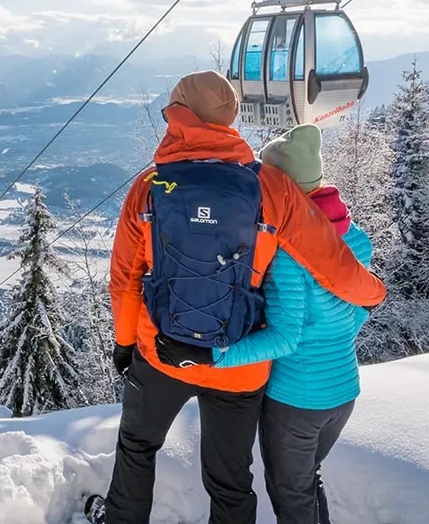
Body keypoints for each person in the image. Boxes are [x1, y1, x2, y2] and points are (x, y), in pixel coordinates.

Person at [87, 71, 386, 524]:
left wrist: (125, 343)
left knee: (137, 446)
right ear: (230, 118)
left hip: (161, 349)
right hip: (238, 360)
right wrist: (374, 292)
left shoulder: (148, 187)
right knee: (230, 479)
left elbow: (125, 279)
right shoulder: (272, 187)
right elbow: (331, 262)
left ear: (178, 116)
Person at [159, 124, 372, 524]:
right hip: (343, 393)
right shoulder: (357, 239)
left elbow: (284, 339)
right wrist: (326, 338)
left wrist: (211, 355)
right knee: (307, 483)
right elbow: (359, 310)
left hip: (297, 400)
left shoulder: (292, 254)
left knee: (291, 498)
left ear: (282, 188)